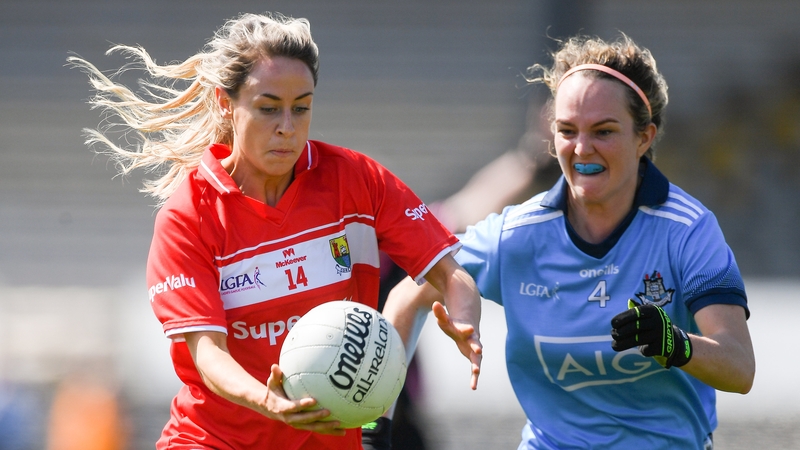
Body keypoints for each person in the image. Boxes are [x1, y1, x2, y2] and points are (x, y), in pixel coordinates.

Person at [68, 12, 482, 450]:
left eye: (301, 108)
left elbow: (448, 272)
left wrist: (465, 314)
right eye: (268, 109)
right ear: (226, 104)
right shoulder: (188, 216)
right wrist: (270, 402)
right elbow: (208, 354)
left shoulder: (356, 181)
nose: (288, 126)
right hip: (213, 440)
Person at [383, 34, 755, 449]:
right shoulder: (516, 235)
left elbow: (739, 369)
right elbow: (404, 298)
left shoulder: (688, 231)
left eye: (604, 130)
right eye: (567, 130)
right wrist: (376, 423)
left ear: (644, 137)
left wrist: (675, 343)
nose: (582, 149)